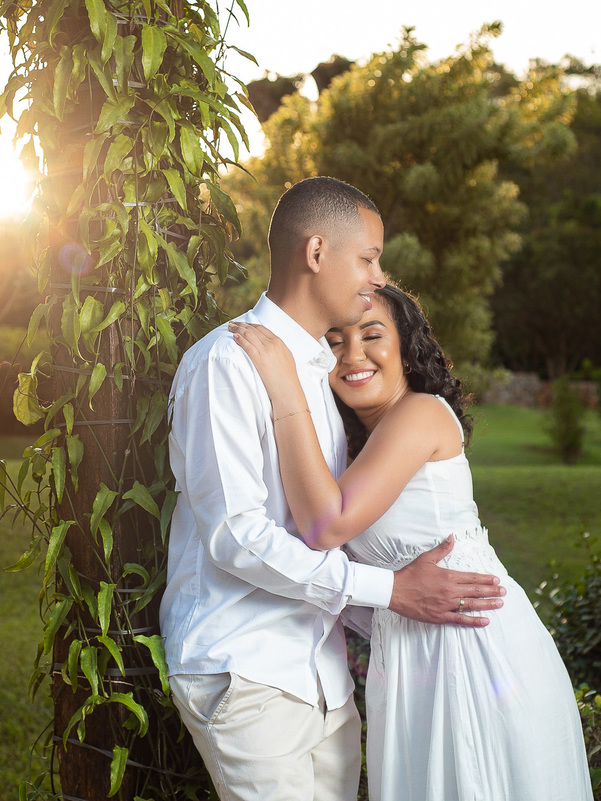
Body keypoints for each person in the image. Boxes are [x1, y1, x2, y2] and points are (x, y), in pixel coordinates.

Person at [159, 176, 507, 801]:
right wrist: (392, 592)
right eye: (369, 257)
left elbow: (330, 523)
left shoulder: (326, 378)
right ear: (317, 253)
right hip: (249, 669)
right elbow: (237, 537)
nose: (378, 277)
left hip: (322, 675)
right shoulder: (227, 363)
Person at [228, 282, 594, 801]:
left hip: (471, 647)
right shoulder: (356, 450)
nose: (353, 355)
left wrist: (284, 389)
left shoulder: (420, 412)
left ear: (406, 345)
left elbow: (324, 526)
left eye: (371, 334)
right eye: (334, 341)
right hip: (411, 655)